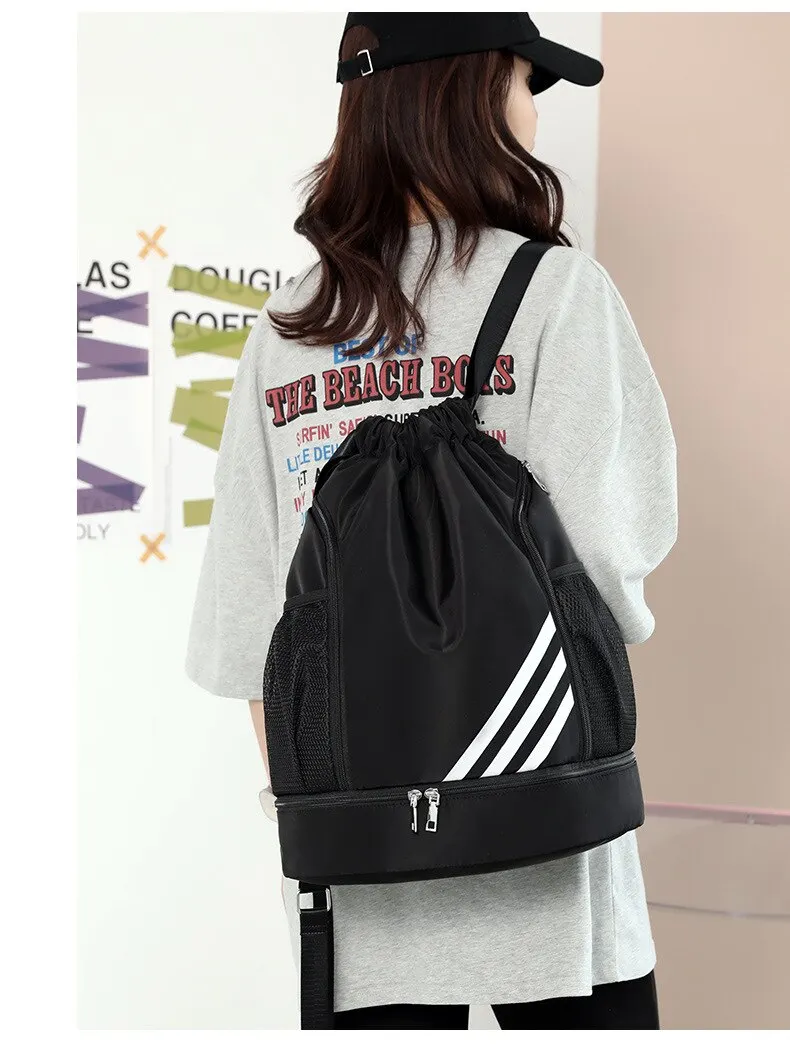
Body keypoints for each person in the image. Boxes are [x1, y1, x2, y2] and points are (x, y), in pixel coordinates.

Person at [185, 13, 677, 1030]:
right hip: (549, 832)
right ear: (471, 90)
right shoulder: (553, 293)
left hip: (359, 873)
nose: (531, 109)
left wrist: (336, 812)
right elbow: (607, 564)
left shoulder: (287, 328)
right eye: (524, 81)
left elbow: (249, 622)